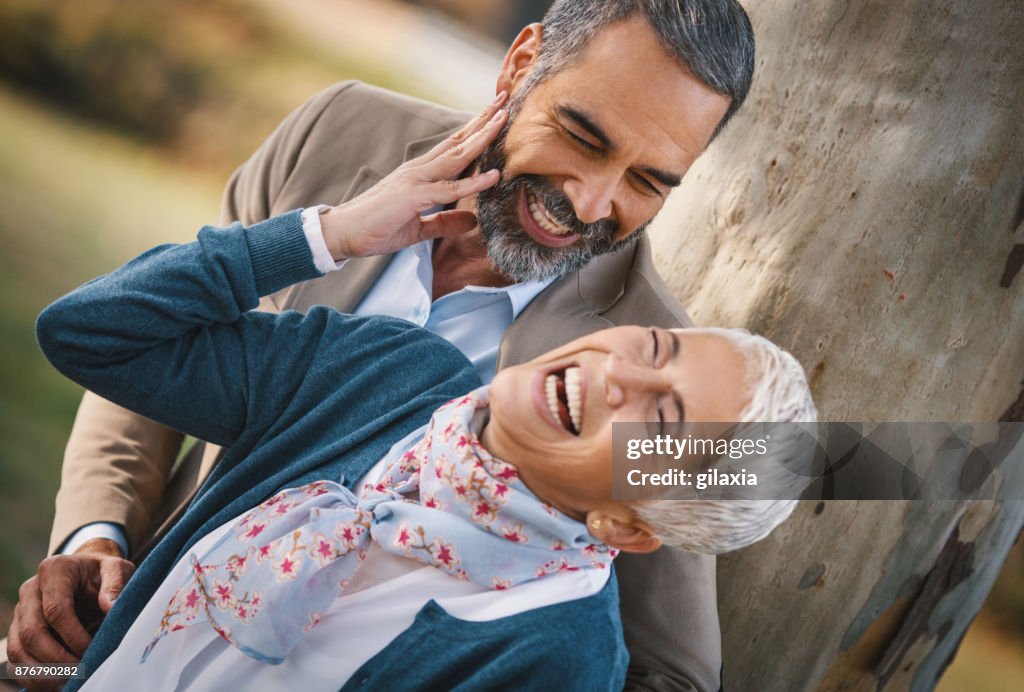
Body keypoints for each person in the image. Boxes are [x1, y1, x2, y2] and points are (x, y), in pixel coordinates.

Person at [7, 1, 758, 689]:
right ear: (522, 62)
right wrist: (97, 533)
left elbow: (674, 672)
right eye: (581, 136)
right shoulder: (339, 129)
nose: (592, 203)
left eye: (649, 182)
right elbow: (159, 339)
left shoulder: (651, 387)